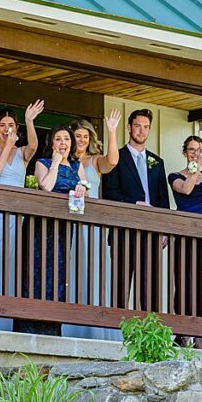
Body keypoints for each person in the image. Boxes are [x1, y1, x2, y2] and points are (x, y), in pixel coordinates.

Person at [16, 125, 87, 335]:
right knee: (36, 270)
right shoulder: (42, 163)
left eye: (66, 139)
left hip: (64, 228)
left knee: (58, 272)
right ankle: (30, 325)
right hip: (41, 226)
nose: (63, 143)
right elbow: (46, 186)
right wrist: (55, 164)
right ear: (51, 143)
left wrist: (82, 190)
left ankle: (53, 327)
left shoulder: (77, 166)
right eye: (58, 139)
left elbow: (84, 192)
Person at [101, 108, 170, 313]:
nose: (141, 131)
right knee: (121, 285)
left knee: (150, 288)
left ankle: (150, 334)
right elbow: (109, 192)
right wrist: (134, 204)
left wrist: (165, 229)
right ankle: (119, 333)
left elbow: (163, 201)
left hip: (151, 234)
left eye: (146, 127)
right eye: (138, 126)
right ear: (129, 128)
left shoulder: (157, 162)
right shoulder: (117, 157)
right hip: (124, 230)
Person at [62, 112, 123, 342]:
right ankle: (71, 327)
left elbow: (113, 161)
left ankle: (97, 326)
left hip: (93, 224)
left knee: (94, 270)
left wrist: (112, 131)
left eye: (85, 136)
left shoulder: (95, 161)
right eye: (77, 136)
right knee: (71, 269)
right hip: (70, 221)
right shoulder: (64, 161)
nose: (81, 140)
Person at [0, 101, 42, 331]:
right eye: (2, 124)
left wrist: (29, 121)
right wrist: (7, 145)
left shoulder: (22, 154)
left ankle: (8, 320)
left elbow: (34, 146)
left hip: (16, 217)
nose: (6, 128)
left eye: (10, 124)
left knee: (12, 264)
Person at [168, 137, 202, 337]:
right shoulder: (175, 175)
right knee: (184, 281)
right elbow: (186, 189)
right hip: (185, 233)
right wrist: (197, 166)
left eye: (199, 149)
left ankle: (199, 333)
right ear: (185, 152)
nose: (195, 153)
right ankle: (183, 331)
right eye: (191, 149)